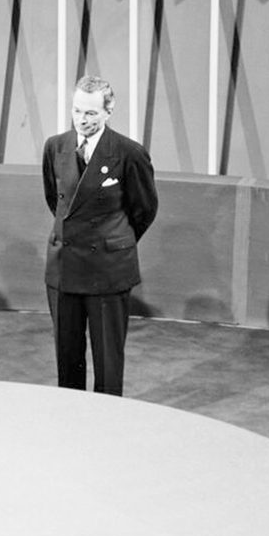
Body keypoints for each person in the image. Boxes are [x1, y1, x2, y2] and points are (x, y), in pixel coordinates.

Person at [42, 74, 158, 396]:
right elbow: (56, 201)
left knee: (108, 365)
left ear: (109, 111)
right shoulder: (56, 147)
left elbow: (144, 209)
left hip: (108, 272)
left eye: (91, 113)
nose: (82, 120)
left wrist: (113, 242)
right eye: (77, 111)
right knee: (68, 361)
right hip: (64, 270)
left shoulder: (128, 153)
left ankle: (107, 430)